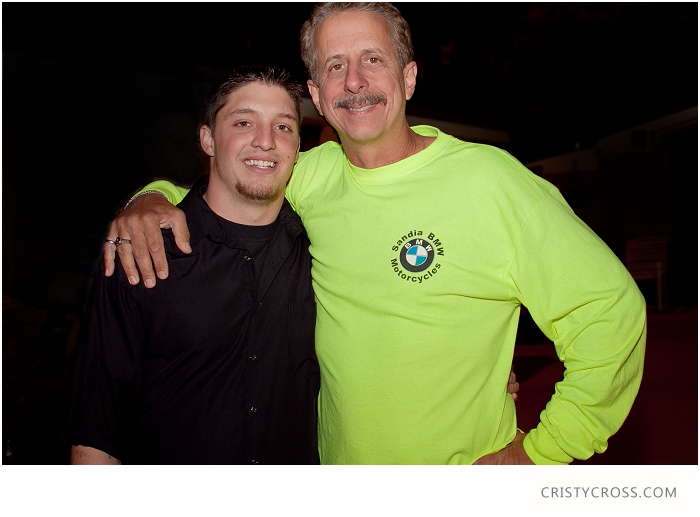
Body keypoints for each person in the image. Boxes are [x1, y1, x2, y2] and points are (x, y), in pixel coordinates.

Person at [104, 3, 646, 465]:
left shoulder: (491, 181)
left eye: (372, 59)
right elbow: (233, 180)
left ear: (408, 77)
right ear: (316, 93)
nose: (354, 82)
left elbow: (611, 312)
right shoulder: (311, 176)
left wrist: (539, 453)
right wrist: (149, 198)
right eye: (335, 66)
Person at [64, 65, 320, 464]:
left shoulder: (320, 251)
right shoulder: (142, 251)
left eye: (283, 127)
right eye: (243, 122)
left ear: (298, 147)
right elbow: (96, 432)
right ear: (208, 139)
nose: (266, 141)